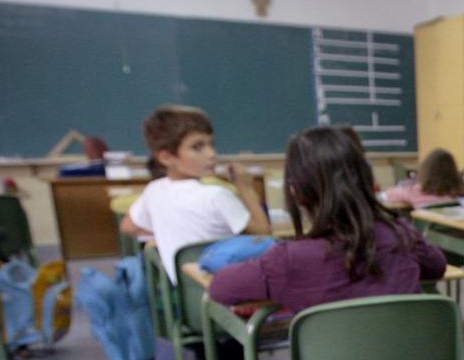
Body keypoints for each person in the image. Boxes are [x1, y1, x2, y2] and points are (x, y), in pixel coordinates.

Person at [208, 126, 446, 313]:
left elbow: (220, 288)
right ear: (366, 180)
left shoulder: (287, 260)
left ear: (296, 192)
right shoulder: (401, 234)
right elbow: (437, 267)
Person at [119, 104, 270, 284]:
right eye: (197, 147)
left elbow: (128, 226)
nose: (211, 154)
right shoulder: (216, 196)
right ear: (166, 157)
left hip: (186, 299)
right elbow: (264, 235)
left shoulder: (154, 190)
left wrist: (170, 231)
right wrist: (246, 188)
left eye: (211, 144)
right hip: (227, 300)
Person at [380, 148, 464, 208]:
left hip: (424, 233)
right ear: (454, 171)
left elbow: (387, 195)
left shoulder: (417, 192)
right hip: (455, 233)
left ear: (426, 170)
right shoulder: (460, 193)